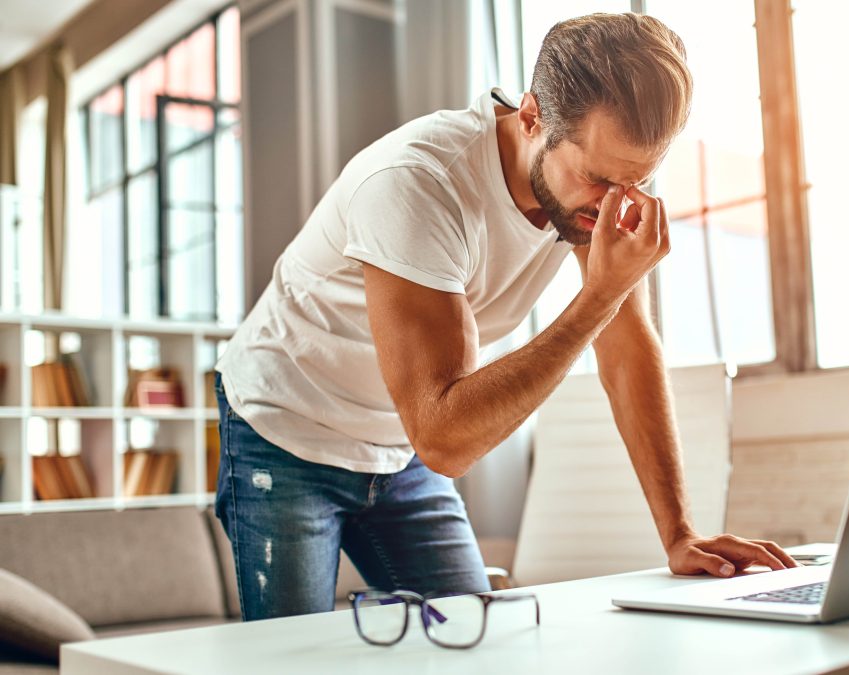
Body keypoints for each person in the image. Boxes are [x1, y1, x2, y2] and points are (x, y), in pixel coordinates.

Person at [214, 11, 798, 622]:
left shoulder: (592, 190)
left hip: (395, 442)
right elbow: (443, 436)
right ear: (531, 117)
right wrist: (598, 297)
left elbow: (627, 352)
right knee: (288, 658)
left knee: (479, 645)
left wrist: (680, 533)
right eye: (600, 179)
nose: (617, 204)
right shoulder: (420, 185)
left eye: (638, 181)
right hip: (286, 427)